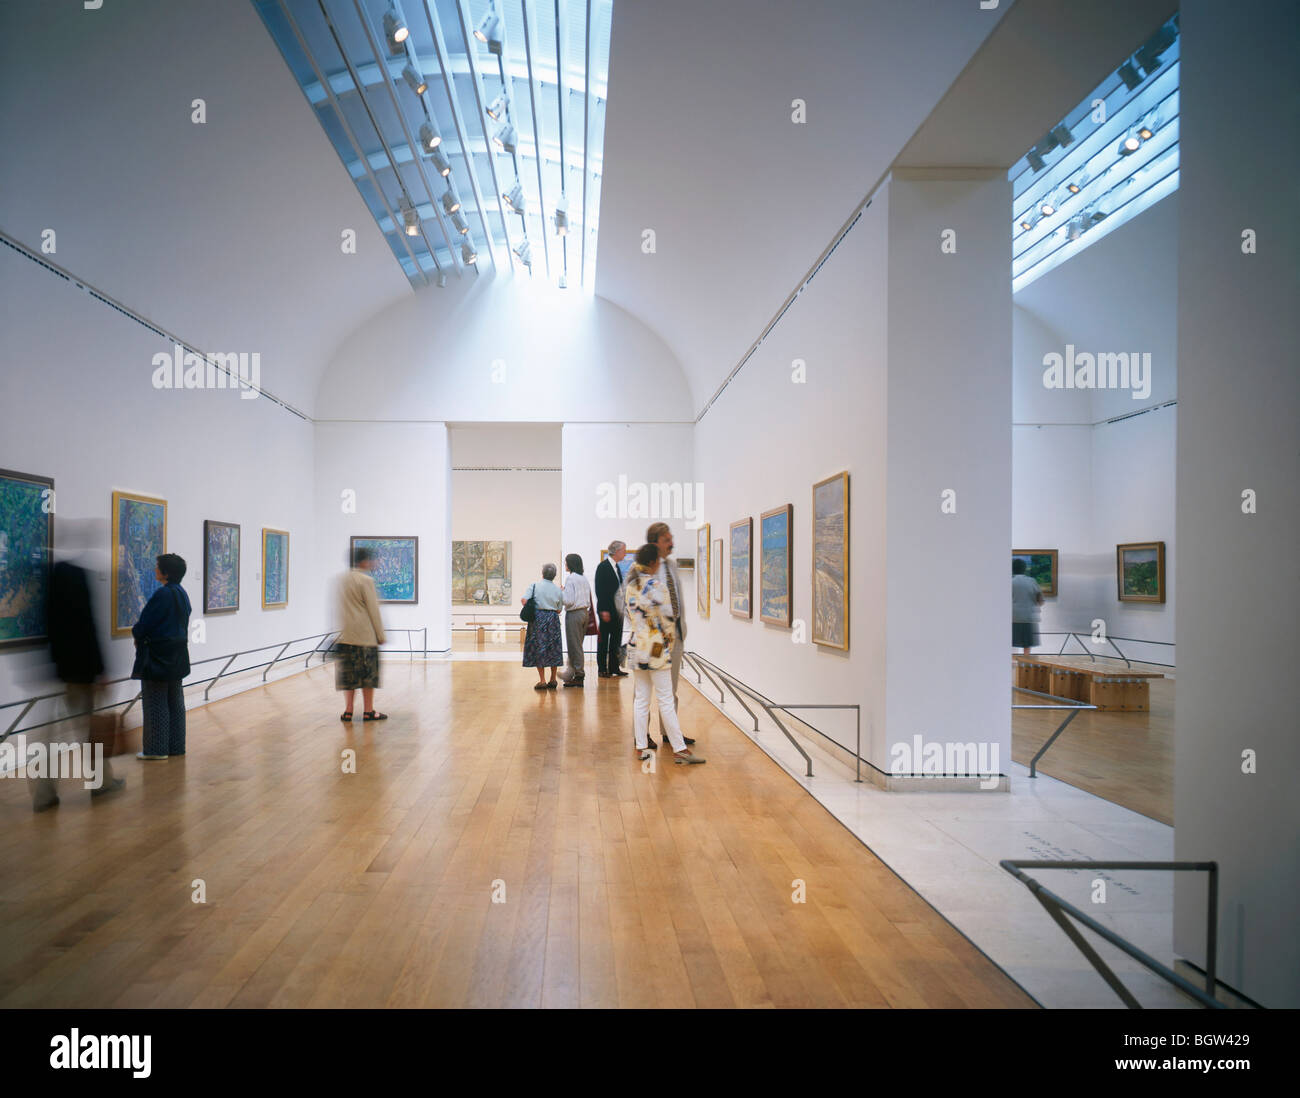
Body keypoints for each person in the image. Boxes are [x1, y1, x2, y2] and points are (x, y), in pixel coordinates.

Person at [31, 519, 124, 810]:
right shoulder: (79, 577)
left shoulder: (50, 576)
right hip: (81, 673)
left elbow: (47, 626)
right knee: (91, 732)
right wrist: (101, 671)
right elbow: (88, 627)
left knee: (49, 738)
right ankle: (102, 783)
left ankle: (44, 795)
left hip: (57, 669)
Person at [625, 543, 704, 765]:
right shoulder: (656, 585)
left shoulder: (631, 586)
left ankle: (642, 746)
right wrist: (670, 640)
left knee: (641, 699)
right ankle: (679, 749)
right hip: (656, 648)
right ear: (653, 562)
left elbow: (631, 616)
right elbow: (668, 620)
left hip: (636, 646)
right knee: (666, 699)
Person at [131, 553, 192, 760]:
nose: (155, 569)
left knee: (155, 701)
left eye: (157, 567)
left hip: (158, 656)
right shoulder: (181, 593)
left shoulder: (163, 594)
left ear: (166, 572)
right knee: (175, 701)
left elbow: (146, 623)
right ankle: (176, 746)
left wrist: (137, 633)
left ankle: (156, 749)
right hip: (177, 655)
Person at [646, 522, 694, 745]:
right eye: (667, 540)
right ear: (655, 542)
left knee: (671, 689)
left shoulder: (672, 566)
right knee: (644, 690)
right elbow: (625, 601)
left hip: (675, 635)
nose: (672, 543)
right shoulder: (643, 567)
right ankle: (642, 736)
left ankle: (669, 733)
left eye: (671, 538)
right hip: (653, 637)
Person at [336, 547, 387, 722]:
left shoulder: (342, 580)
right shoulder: (366, 580)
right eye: (372, 560)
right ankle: (368, 711)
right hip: (365, 637)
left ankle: (348, 711)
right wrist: (380, 635)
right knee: (368, 676)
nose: (374, 563)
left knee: (349, 677)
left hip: (346, 636)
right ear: (364, 561)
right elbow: (373, 610)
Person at [521, 563, 565, 690]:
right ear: (554, 575)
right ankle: (553, 679)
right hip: (553, 619)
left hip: (538, 619)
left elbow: (524, 600)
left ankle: (542, 680)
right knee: (554, 647)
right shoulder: (558, 590)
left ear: (542, 573)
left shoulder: (534, 586)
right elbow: (559, 610)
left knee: (539, 647)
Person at [595, 542, 629, 679]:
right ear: (616, 551)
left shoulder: (616, 567)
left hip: (617, 611)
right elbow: (600, 590)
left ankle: (614, 667)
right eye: (623, 551)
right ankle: (602, 669)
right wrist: (603, 610)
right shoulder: (603, 567)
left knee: (616, 640)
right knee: (604, 641)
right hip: (606, 611)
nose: (625, 554)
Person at [560, 553, 592, 687]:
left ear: (571, 564)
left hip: (574, 614)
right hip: (585, 613)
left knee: (574, 646)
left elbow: (568, 601)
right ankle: (571, 673)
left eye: (566, 562)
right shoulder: (583, 578)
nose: (565, 565)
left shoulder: (571, 579)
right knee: (577, 645)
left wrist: (561, 592)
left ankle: (579, 675)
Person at [1012, 557, 1045, 655]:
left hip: (1013, 617)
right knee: (1027, 644)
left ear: (1013, 569)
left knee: (1010, 641)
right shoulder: (1031, 581)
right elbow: (1041, 600)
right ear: (1025, 569)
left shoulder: (1010, 582)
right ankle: (1024, 664)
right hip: (1028, 617)